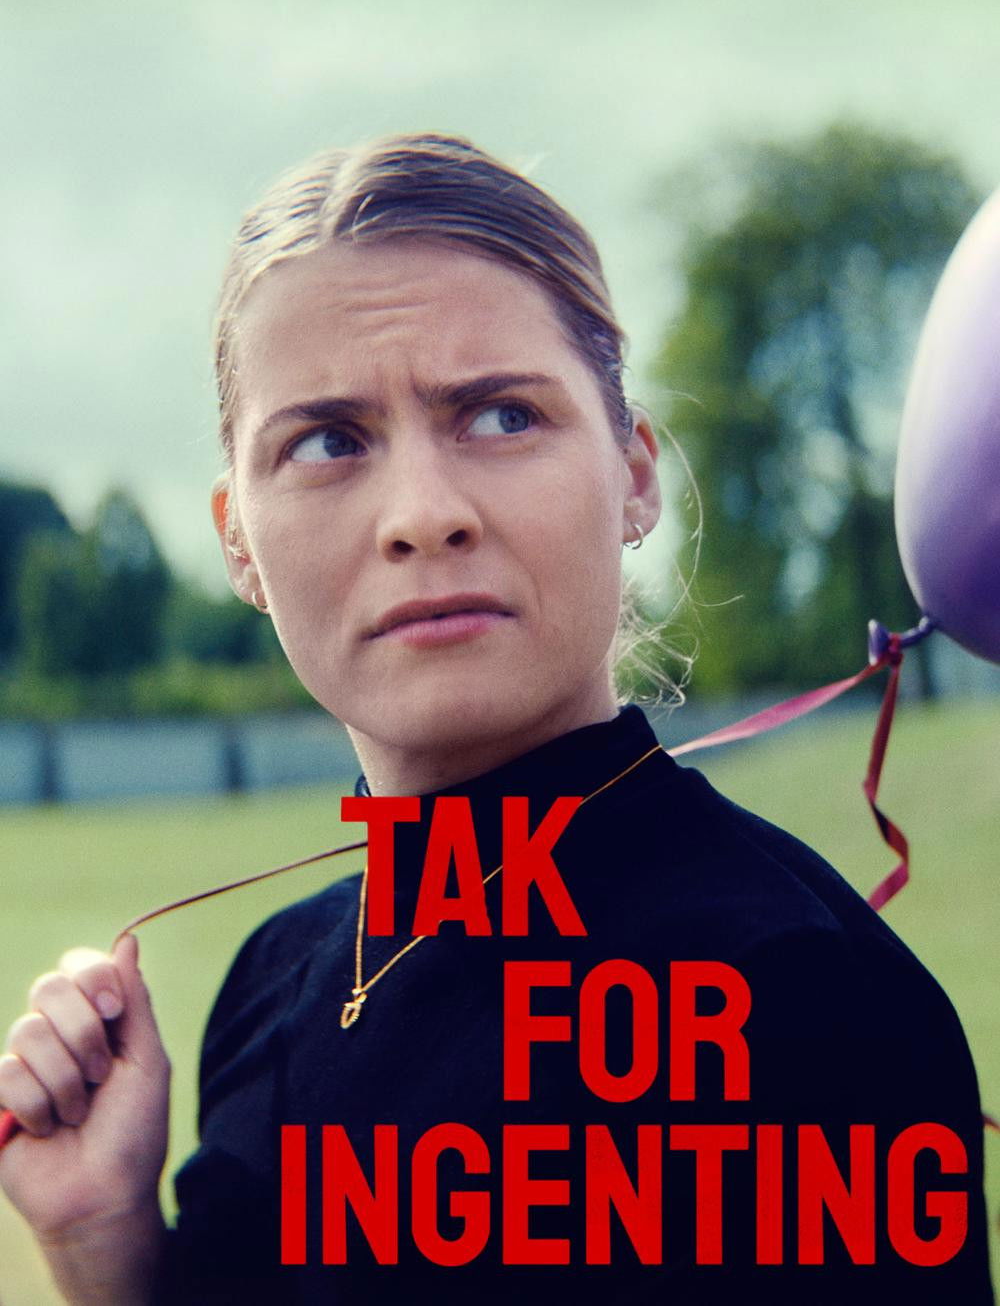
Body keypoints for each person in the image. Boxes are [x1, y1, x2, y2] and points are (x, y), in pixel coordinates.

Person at [0, 134, 992, 1304]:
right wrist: (105, 1245)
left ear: (633, 477)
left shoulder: (798, 995)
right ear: (238, 543)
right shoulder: (270, 987)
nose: (423, 515)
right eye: (327, 442)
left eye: (500, 417)